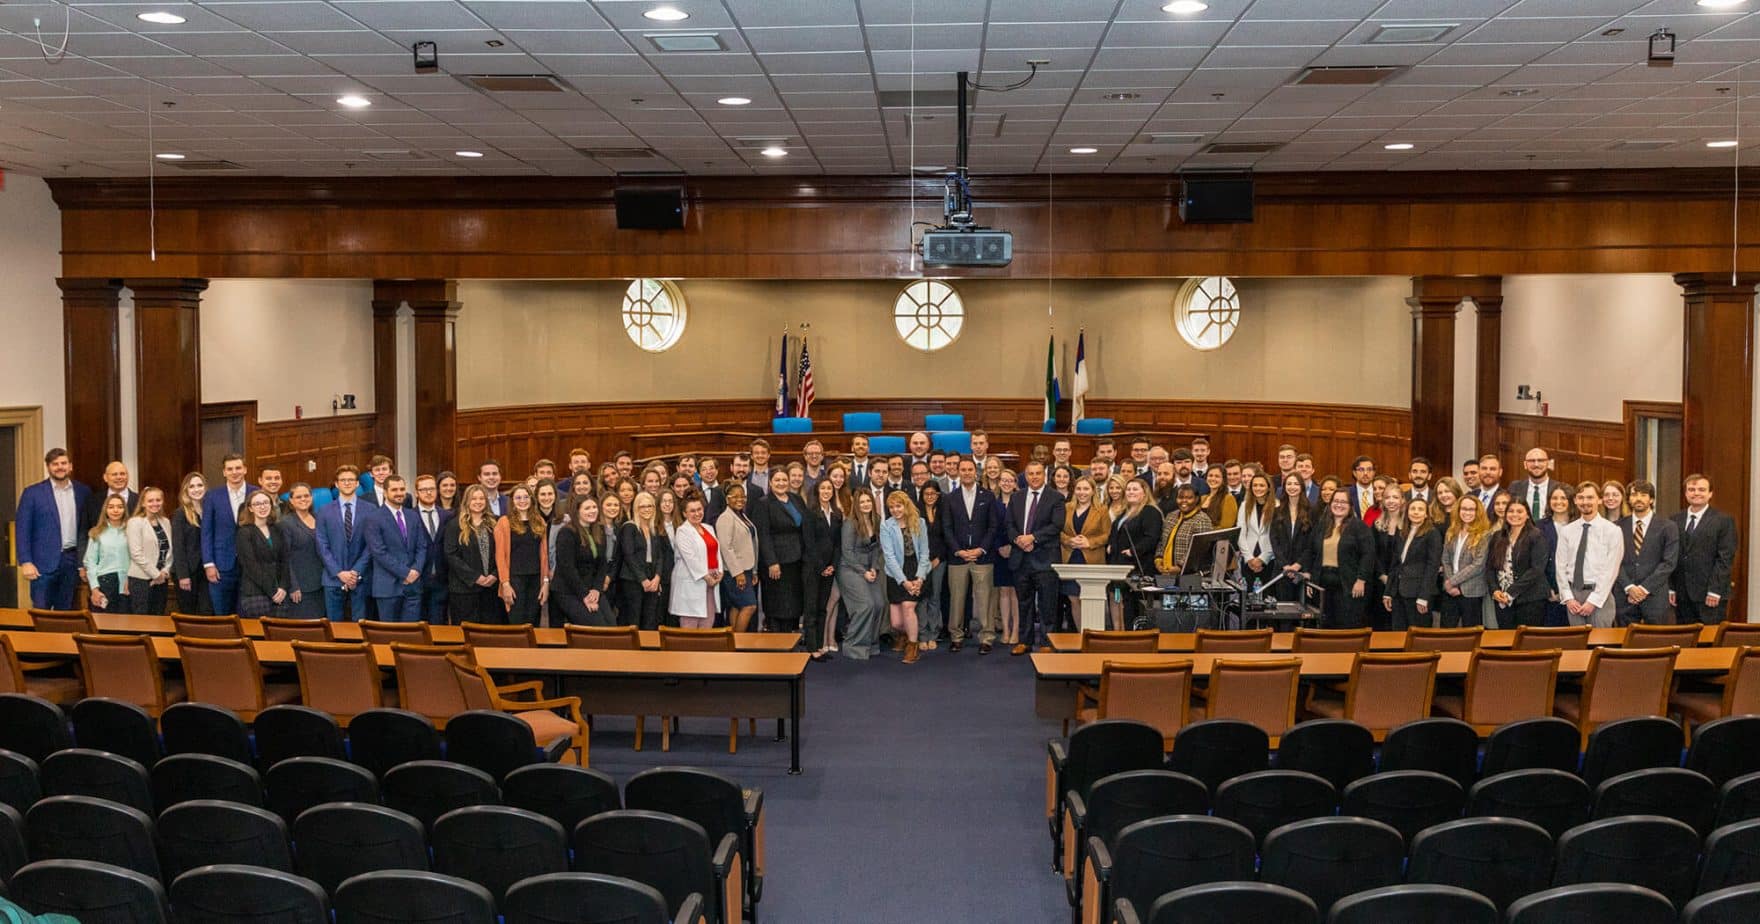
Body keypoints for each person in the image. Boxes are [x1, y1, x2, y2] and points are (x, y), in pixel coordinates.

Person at [1006, 462, 1065, 656]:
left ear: (1044, 475)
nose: (1034, 477)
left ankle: (1047, 641)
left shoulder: (1055, 497)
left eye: (1038, 473)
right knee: (1024, 602)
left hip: (1045, 558)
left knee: (1048, 604)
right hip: (1021, 558)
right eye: (1030, 474)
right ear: (1026, 476)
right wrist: (1019, 540)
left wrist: (1033, 538)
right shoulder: (1016, 497)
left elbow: (1056, 525)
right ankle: (1025, 641)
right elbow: (1009, 524)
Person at [944, 458, 1002, 653]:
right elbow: (947, 527)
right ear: (957, 472)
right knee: (957, 599)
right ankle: (956, 636)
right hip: (957, 557)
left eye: (970, 469)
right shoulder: (950, 497)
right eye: (963, 469)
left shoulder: (988, 496)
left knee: (985, 598)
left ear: (976, 472)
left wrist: (981, 549)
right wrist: (958, 550)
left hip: (982, 556)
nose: (967, 473)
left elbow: (993, 526)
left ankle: (986, 637)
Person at [1554, 481, 1624, 628]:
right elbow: (1560, 567)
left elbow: (1611, 570)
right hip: (1573, 596)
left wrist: (1594, 600)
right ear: (1575, 501)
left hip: (1600, 596)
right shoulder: (1567, 531)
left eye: (1590, 497)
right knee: (1577, 647)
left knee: (1601, 646)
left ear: (1599, 500)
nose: (1585, 502)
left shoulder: (1612, 531)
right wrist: (1567, 597)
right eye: (1581, 497)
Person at [1671, 474, 1738, 625]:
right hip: (1681, 595)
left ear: (1710, 494)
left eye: (1701, 489)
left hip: (1710, 595)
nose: (1696, 493)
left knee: (1709, 642)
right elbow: (1671, 556)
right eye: (1691, 489)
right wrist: (1671, 588)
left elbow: (1725, 559)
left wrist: (1715, 590)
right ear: (1686, 493)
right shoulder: (1674, 520)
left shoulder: (1723, 521)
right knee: (1685, 641)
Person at [364, 476, 428, 622]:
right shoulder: (374, 518)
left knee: (412, 635)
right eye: (394, 490)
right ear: (385, 493)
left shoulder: (413, 516)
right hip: (388, 588)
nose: (399, 493)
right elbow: (379, 552)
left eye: (402, 489)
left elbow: (422, 546)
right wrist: (405, 573)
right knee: (389, 636)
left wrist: (416, 571)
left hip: (413, 586)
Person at [1616, 480, 1679, 626]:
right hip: (1624, 595)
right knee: (1624, 644)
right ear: (1629, 499)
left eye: (1643, 495)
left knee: (1656, 642)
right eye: (1634, 495)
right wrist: (1629, 587)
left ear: (1651, 499)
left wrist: (1644, 589)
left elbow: (1669, 562)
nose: (1638, 499)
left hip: (1655, 596)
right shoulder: (1618, 526)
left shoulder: (1668, 526)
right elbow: (1613, 561)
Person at [1307, 491, 1373, 629]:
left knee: (1345, 624)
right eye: (1335, 501)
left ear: (1350, 506)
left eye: (1343, 502)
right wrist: (1311, 581)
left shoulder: (1359, 527)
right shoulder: (1322, 526)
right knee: (1325, 624)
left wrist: (1361, 580)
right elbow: (1311, 553)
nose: (1339, 505)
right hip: (1322, 582)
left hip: (1348, 584)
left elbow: (1368, 555)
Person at [315, 465, 372, 622]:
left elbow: (371, 545)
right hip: (333, 578)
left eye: (351, 480)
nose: (347, 483)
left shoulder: (370, 510)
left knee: (360, 628)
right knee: (334, 628)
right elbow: (322, 545)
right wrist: (339, 573)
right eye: (343, 480)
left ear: (357, 483)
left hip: (359, 578)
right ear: (336, 484)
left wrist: (355, 572)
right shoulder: (324, 511)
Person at [753, 468, 806, 633]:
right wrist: (772, 562)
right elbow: (763, 534)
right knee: (777, 605)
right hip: (776, 563)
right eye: (777, 480)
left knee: (793, 604)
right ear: (770, 482)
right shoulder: (763, 503)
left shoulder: (796, 499)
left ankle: (792, 640)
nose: (781, 483)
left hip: (796, 561)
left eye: (784, 480)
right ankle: (777, 643)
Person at [881, 491, 930, 664]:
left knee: (909, 607)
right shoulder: (886, 526)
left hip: (916, 570)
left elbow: (925, 553)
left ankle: (913, 646)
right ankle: (903, 635)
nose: (895, 510)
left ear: (906, 505)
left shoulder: (920, 523)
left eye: (898, 505)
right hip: (895, 573)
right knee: (896, 623)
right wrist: (904, 582)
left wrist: (920, 578)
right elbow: (889, 557)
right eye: (892, 507)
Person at [202, 453, 253, 615]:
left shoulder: (256, 493)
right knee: (222, 615)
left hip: (251, 565)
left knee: (248, 615)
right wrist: (209, 564)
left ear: (245, 469)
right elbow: (206, 532)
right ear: (224, 472)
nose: (234, 472)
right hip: (222, 565)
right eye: (230, 469)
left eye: (238, 468)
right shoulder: (212, 496)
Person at [1107, 479, 1161, 629]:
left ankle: (1130, 637)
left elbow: (1152, 537)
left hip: (1137, 565)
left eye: (1135, 489)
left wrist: (1133, 550)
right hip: (1118, 564)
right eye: (1129, 489)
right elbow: (1116, 531)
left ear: (1144, 493)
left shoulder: (1150, 512)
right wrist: (1111, 544)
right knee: (1117, 598)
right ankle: (1118, 634)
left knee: (1130, 605)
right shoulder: (1125, 512)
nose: (1130, 492)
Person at [836, 492, 885, 659]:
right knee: (866, 605)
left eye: (868, 501)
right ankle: (854, 646)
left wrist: (873, 568)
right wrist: (863, 572)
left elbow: (877, 548)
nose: (865, 504)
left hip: (869, 569)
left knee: (879, 604)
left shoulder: (876, 519)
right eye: (862, 501)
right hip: (850, 568)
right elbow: (847, 552)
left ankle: (870, 644)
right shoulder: (850, 523)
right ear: (857, 504)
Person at [1488, 498, 1550, 628]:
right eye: (1511, 511)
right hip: (1502, 599)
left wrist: (1510, 592)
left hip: (1530, 599)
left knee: (1527, 643)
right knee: (1506, 641)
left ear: (1527, 515)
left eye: (1519, 511)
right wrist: (1494, 590)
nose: (1514, 514)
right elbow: (1490, 567)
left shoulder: (1536, 536)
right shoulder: (1498, 536)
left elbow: (1536, 570)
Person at [1381, 497, 1441, 630]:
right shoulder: (1402, 532)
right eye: (1413, 509)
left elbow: (1432, 567)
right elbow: (1395, 564)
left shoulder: (1432, 534)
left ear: (1426, 514)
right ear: (1407, 512)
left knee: (1419, 637)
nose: (1416, 512)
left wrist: (1424, 597)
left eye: (1420, 509)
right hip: (1398, 592)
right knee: (1398, 635)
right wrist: (1388, 592)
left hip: (1418, 594)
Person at [553, 495, 613, 626]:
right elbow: (567, 569)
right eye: (587, 508)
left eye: (594, 507)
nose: (592, 511)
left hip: (592, 588)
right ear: (577, 511)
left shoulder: (599, 530)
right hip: (569, 590)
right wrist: (584, 595)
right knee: (598, 626)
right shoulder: (567, 533)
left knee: (612, 625)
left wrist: (597, 589)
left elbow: (602, 564)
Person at [1059, 476, 1110, 629]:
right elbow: (1058, 530)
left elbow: (1106, 534)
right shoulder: (1066, 508)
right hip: (1070, 558)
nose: (1082, 492)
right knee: (1074, 598)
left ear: (1093, 491)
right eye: (1079, 489)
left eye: (1086, 489)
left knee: (1088, 598)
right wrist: (1069, 541)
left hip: (1091, 559)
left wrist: (1090, 542)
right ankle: (1082, 635)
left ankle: (1091, 635)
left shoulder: (1101, 510)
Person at [444, 485, 500, 624]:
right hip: (464, 590)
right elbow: (451, 555)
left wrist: (495, 574)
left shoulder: (496, 523)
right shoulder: (454, 525)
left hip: (491, 589)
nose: (478, 501)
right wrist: (475, 577)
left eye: (481, 498)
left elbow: (503, 552)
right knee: (466, 634)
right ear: (466, 501)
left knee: (490, 634)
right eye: (473, 498)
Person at [494, 484, 548, 625]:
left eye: (526, 497)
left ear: (531, 499)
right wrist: (505, 583)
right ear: (512, 500)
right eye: (518, 497)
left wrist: (545, 582)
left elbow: (544, 555)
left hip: (536, 579)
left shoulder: (539, 521)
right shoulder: (504, 523)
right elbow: (500, 557)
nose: (522, 500)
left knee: (533, 622)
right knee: (517, 623)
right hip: (514, 580)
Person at [801, 478, 843, 660]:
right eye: (823, 488)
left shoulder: (836, 514)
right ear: (817, 491)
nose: (826, 491)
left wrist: (832, 565)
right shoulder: (809, 513)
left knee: (822, 608)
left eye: (829, 488)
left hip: (829, 568)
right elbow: (808, 543)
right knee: (811, 608)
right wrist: (821, 567)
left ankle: (820, 645)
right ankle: (811, 648)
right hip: (812, 567)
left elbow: (837, 544)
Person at [616, 492, 669, 630]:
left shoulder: (654, 528)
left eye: (650, 506)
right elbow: (629, 556)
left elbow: (660, 556)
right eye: (642, 506)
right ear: (636, 509)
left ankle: (648, 651)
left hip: (652, 580)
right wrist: (643, 579)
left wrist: (657, 577)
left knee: (650, 621)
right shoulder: (629, 527)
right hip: (632, 580)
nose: (647, 509)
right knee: (634, 620)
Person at [1438, 494, 1492, 630]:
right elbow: (1445, 559)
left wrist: (1452, 581)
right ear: (1458, 510)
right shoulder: (1452, 531)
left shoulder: (1485, 534)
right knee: (1445, 632)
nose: (1467, 512)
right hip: (1450, 590)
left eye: (1471, 509)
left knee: (1472, 634)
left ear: (1478, 512)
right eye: (1464, 509)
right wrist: (1450, 583)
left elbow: (1478, 565)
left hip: (1471, 591)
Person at [233, 491, 288, 618]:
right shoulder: (244, 532)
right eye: (257, 504)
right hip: (256, 594)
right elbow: (251, 566)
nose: (262, 507)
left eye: (265, 503)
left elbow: (284, 560)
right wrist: (273, 591)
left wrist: (283, 587)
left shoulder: (277, 529)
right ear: (250, 508)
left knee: (279, 636)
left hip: (281, 593)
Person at [669, 497, 722, 630]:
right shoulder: (682, 531)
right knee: (690, 624)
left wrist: (720, 571)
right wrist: (706, 576)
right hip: (693, 581)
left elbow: (717, 551)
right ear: (684, 514)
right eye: (692, 511)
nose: (697, 513)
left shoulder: (708, 528)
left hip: (712, 580)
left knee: (708, 622)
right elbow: (690, 558)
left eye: (699, 509)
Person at [120, 486, 174, 616]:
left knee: (158, 618)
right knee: (142, 621)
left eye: (158, 500)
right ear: (143, 503)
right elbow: (136, 554)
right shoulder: (135, 522)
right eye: (150, 501)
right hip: (141, 580)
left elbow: (169, 551)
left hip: (162, 580)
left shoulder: (165, 522)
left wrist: (165, 572)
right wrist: (156, 574)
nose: (155, 503)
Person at [277, 483, 327, 618]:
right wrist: (293, 586)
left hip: (323, 583)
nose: (303, 499)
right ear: (291, 501)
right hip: (301, 588)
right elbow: (284, 558)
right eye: (298, 497)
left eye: (306, 496)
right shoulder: (286, 523)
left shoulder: (319, 517)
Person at [715, 482, 760, 632]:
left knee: (736, 606)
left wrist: (753, 571)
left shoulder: (741, 516)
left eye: (743, 496)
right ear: (727, 499)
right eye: (735, 496)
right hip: (735, 572)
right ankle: (738, 642)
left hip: (746, 569)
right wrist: (738, 573)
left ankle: (731, 644)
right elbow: (726, 548)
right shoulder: (725, 518)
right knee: (749, 606)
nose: (740, 499)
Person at [83, 493, 131, 613]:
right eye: (111, 507)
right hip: (105, 582)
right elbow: (90, 562)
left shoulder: (131, 531)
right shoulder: (96, 532)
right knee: (104, 623)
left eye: (120, 507)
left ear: (124, 510)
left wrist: (130, 579)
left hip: (127, 583)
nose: (115, 510)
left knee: (126, 625)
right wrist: (94, 589)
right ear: (105, 510)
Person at [412, 475, 451, 623]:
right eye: (424, 489)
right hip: (418, 579)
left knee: (439, 625)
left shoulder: (448, 516)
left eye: (432, 489)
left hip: (442, 579)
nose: (428, 492)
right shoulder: (409, 516)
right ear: (416, 493)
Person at [170, 472, 210, 615]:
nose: (196, 489)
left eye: (200, 485)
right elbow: (178, 546)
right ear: (186, 490)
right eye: (191, 486)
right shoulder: (180, 514)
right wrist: (183, 575)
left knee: (206, 611)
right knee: (189, 613)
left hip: (205, 572)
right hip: (187, 572)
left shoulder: (209, 511)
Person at [915, 481, 948, 650]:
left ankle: (933, 633)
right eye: (926, 494)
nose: (929, 497)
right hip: (921, 562)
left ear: (938, 495)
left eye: (933, 494)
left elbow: (947, 536)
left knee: (935, 596)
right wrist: (924, 560)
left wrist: (937, 558)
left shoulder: (943, 511)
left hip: (939, 561)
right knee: (921, 598)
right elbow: (914, 538)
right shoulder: (915, 512)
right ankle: (922, 634)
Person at [1270, 473, 1313, 603]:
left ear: (1301, 487)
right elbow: (1274, 539)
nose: (1292, 487)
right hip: (1281, 570)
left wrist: (1297, 565)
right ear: (1284, 487)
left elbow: (1311, 543)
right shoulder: (1277, 511)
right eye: (1289, 484)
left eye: (1296, 484)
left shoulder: (1311, 511)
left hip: (1302, 569)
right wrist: (1285, 565)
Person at [1154, 485, 1213, 578]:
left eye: (1189, 498)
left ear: (1196, 499)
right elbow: (1162, 541)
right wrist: (1158, 559)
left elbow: (1199, 550)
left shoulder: (1202, 520)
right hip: (1165, 573)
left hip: (1189, 575)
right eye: (1180, 497)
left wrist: (1180, 567)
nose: (1184, 501)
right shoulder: (1171, 516)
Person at [1235, 473, 1277, 594]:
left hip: (1269, 558)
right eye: (1255, 485)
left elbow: (1276, 537)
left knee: (1267, 596)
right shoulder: (1244, 505)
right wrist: (1249, 558)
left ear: (1269, 487)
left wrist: (1263, 558)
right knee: (1247, 597)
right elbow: (1241, 533)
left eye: (1262, 485)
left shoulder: (1277, 505)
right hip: (1248, 558)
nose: (1258, 488)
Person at [994, 468, 1022, 648]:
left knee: (1016, 592)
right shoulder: (993, 502)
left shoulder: (1021, 501)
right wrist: (998, 546)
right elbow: (989, 526)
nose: (1006, 483)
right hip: (998, 552)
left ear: (1015, 483)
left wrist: (1013, 546)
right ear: (998, 482)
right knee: (1004, 592)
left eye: (1009, 480)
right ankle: (1005, 629)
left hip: (1017, 550)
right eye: (1003, 480)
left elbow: (1025, 526)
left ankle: (1016, 630)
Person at [85, 461, 139, 534]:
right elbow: (84, 530)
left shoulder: (140, 500)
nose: (119, 477)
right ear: (105, 477)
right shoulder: (92, 501)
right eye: (114, 474)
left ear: (128, 476)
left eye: (122, 474)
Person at [1516, 449, 1557, 516]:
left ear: (1548, 463)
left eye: (1541, 460)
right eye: (1531, 461)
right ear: (1525, 464)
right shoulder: (1515, 487)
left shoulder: (1559, 488)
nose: (1536, 464)